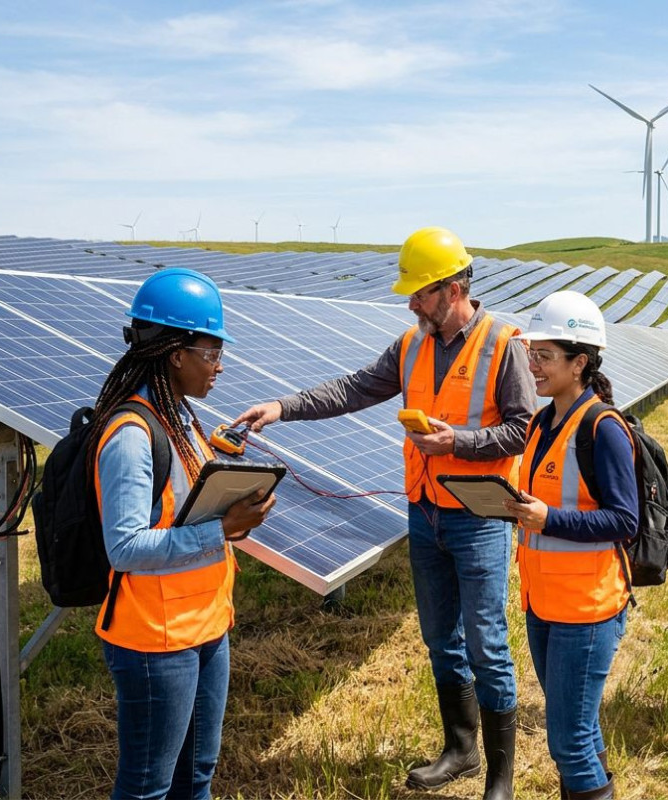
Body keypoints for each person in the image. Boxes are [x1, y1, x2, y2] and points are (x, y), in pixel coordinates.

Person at [234, 226, 533, 800]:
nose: (411, 304)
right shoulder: (411, 345)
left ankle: (501, 777)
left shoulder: (504, 344)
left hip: (480, 517)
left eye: (419, 293)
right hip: (425, 511)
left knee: (487, 644)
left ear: (451, 290)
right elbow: (354, 389)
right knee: (440, 639)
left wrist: (457, 442)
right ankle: (461, 750)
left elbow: (523, 430)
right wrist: (282, 407)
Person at [91, 267, 275, 800]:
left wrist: (235, 505)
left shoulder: (184, 420)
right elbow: (125, 547)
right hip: (156, 639)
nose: (220, 365)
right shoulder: (132, 434)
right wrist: (222, 529)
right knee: (148, 788)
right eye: (212, 352)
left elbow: (186, 508)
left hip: (206, 627)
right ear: (176, 354)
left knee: (195, 779)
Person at [502, 291, 637, 800]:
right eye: (531, 354)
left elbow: (624, 519)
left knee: (569, 741)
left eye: (545, 356)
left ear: (579, 363)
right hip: (543, 603)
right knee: (580, 727)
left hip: (587, 609)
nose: (533, 365)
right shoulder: (541, 423)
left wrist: (549, 518)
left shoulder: (603, 429)